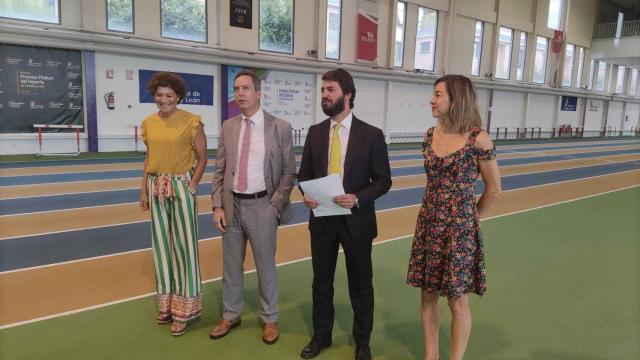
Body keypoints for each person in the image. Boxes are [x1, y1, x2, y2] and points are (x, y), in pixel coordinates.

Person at [298, 68, 392, 360]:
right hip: (322, 220)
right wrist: (308, 196)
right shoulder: (314, 133)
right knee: (321, 282)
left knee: (360, 284)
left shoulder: (372, 135)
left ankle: (362, 341)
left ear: (347, 95)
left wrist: (357, 198)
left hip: (357, 222)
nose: (324, 95)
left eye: (330, 90)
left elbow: (383, 180)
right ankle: (321, 336)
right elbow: (304, 175)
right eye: (323, 90)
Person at [406, 75, 502, 360]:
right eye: (433, 94)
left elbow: (494, 189)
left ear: (456, 99)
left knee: (457, 302)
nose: (432, 100)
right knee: (427, 296)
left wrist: (470, 221)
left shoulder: (478, 139)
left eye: (438, 95)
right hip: (429, 225)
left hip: (459, 232)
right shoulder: (428, 135)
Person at [210, 69, 296, 345]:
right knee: (231, 266)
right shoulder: (228, 126)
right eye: (236, 89)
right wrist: (217, 207)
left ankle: (269, 318)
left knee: (265, 267)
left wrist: (274, 206)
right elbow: (219, 169)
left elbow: (288, 172)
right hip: (231, 206)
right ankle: (231, 314)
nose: (240, 94)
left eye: (246, 88)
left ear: (259, 92)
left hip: (263, 207)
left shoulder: (279, 127)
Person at [139, 71, 207, 336]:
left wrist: (193, 184)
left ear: (178, 96)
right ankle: (166, 304)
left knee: (184, 247)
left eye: (169, 95)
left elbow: (202, 157)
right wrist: (143, 189)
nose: (163, 100)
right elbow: (149, 157)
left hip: (181, 186)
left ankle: (184, 310)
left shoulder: (192, 122)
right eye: (159, 95)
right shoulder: (148, 123)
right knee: (160, 247)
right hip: (155, 186)